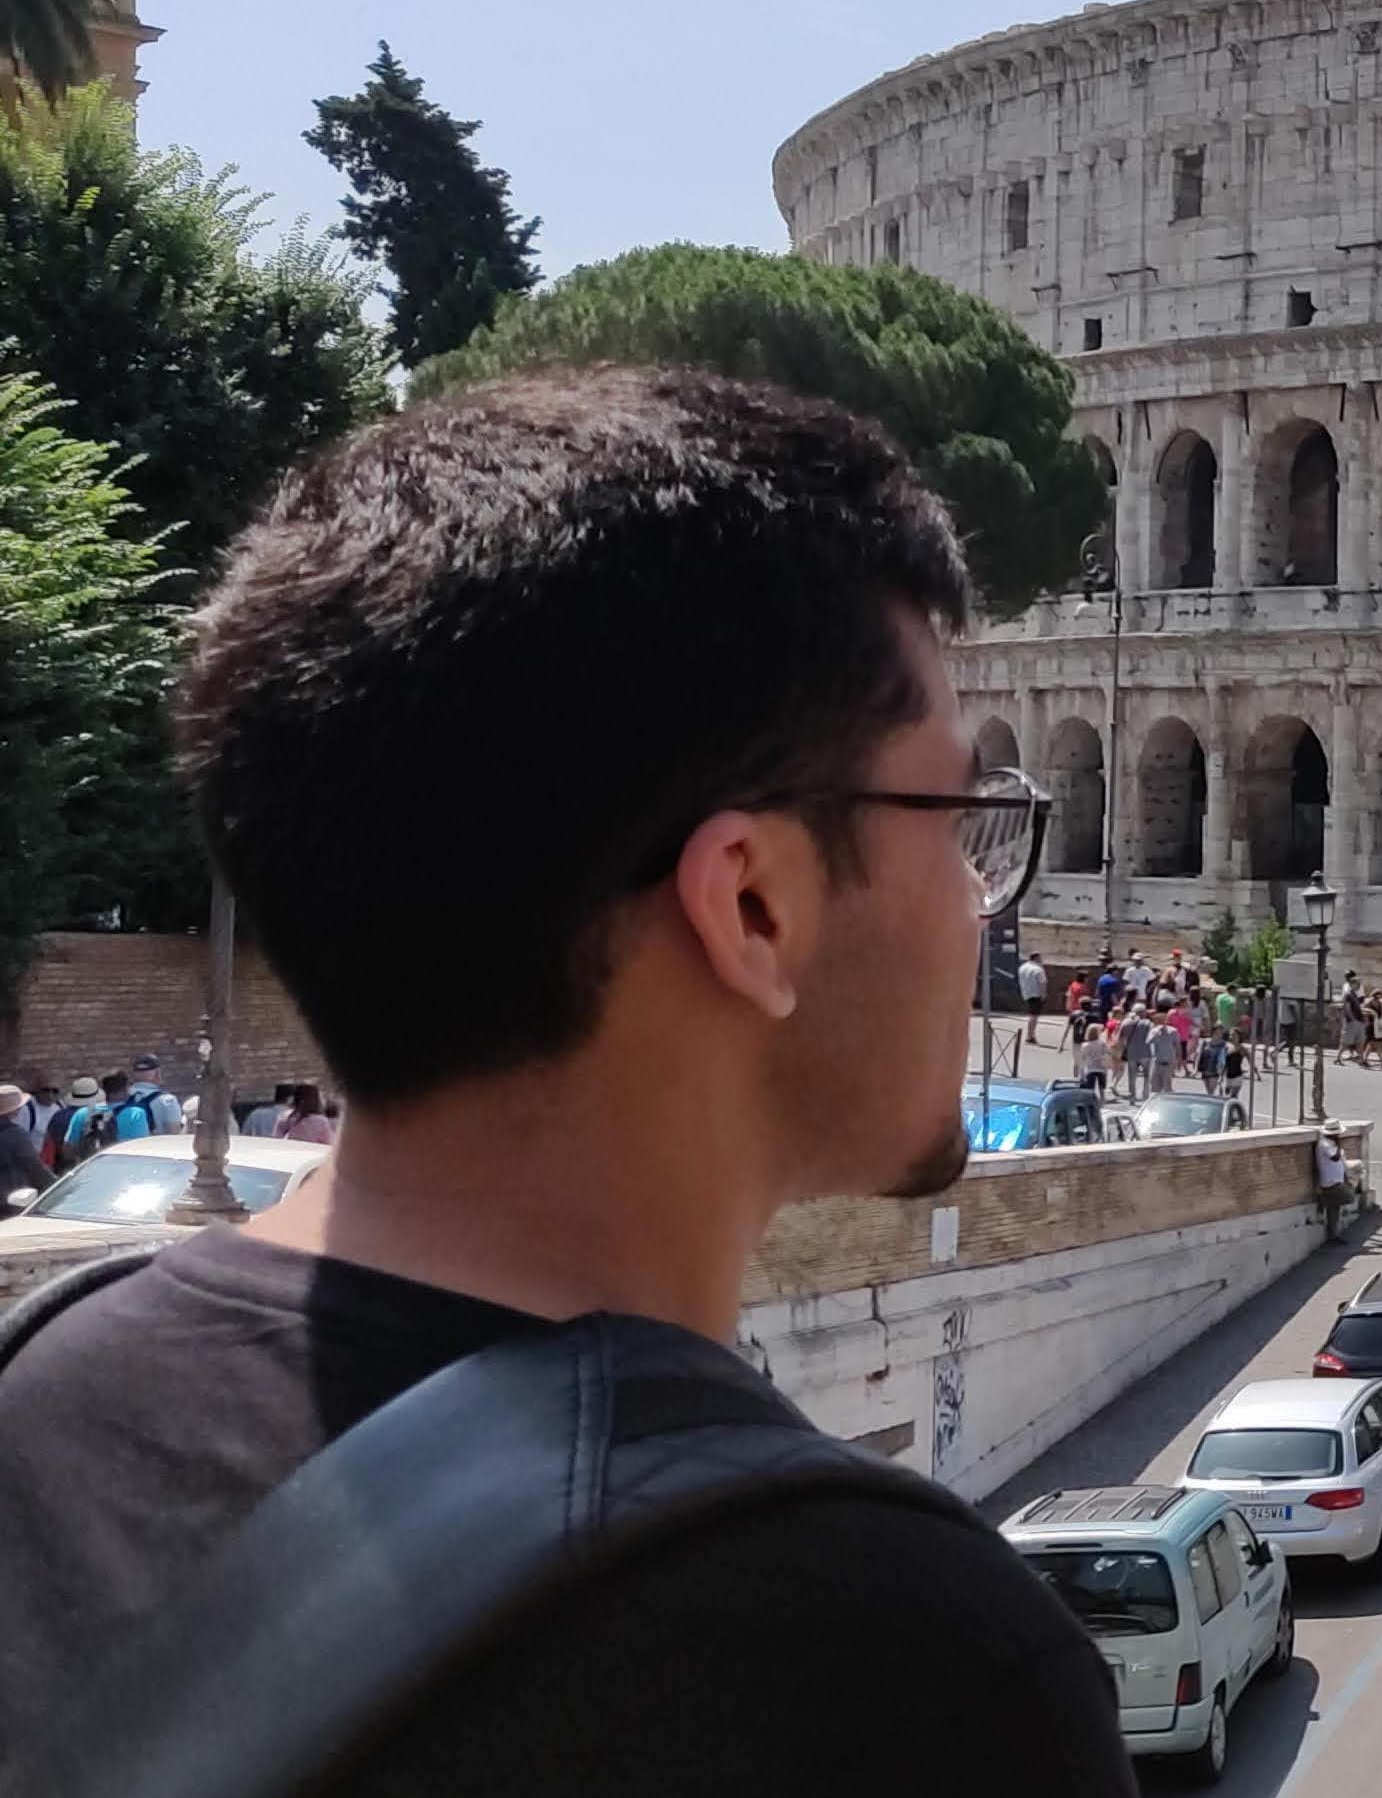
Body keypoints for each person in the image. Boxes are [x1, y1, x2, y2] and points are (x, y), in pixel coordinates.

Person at [0, 371, 1131, 1792]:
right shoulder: (909, 1670)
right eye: (961, 816)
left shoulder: (38, 1394)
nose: (979, 902)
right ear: (754, 903)